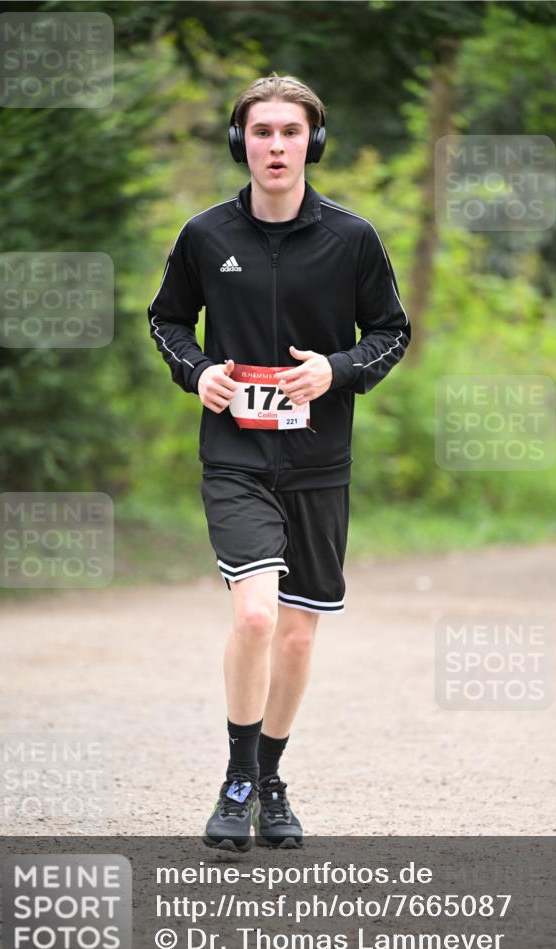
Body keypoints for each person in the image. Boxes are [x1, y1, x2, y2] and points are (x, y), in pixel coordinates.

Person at [148, 72, 410, 852]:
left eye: (289, 132)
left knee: (298, 635)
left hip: (319, 459)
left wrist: (336, 369)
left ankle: (271, 778)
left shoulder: (352, 239)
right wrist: (199, 374)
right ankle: (234, 781)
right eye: (260, 131)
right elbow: (166, 322)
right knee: (256, 615)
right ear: (240, 142)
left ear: (312, 143)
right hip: (235, 455)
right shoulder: (204, 237)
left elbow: (390, 332)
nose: (274, 145)